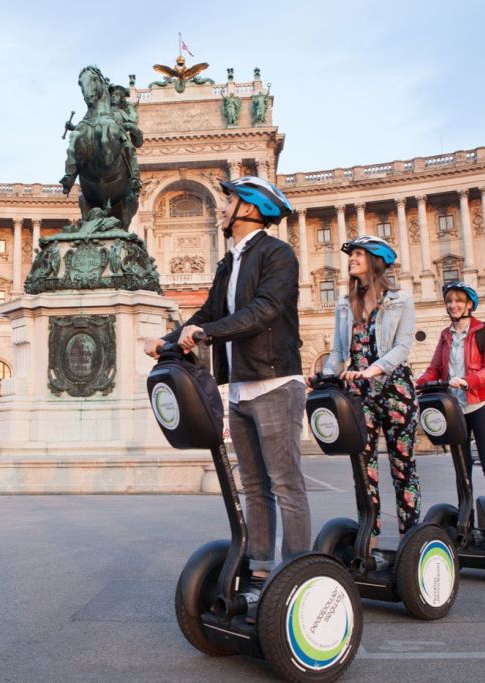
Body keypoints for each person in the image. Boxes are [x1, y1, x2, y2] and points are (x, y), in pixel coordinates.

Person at [144, 176, 307, 576]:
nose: (221, 206)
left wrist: (206, 334)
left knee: (285, 485)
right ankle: (261, 567)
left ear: (249, 208)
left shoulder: (278, 254)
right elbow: (208, 313)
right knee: (253, 486)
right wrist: (168, 339)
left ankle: (298, 572)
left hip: (275, 382)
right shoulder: (229, 262)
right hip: (239, 387)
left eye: (229, 199)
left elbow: (265, 310)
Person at [314, 235, 419, 547]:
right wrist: (323, 376)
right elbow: (337, 353)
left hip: (395, 389)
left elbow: (402, 347)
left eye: (358, 254)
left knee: (403, 467)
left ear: (375, 261)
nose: (352, 259)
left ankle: (410, 538)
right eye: (352, 255)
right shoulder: (345, 304)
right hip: (360, 395)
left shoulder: (402, 299)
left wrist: (372, 369)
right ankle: (369, 539)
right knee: (364, 468)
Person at [417, 282, 485, 523]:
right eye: (449, 301)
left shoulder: (484, 331)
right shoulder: (446, 335)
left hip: (481, 403)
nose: (453, 305)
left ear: (469, 305)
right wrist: (418, 383)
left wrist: (468, 381)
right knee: (461, 465)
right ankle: (466, 517)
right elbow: (435, 368)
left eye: (458, 301)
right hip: (454, 408)